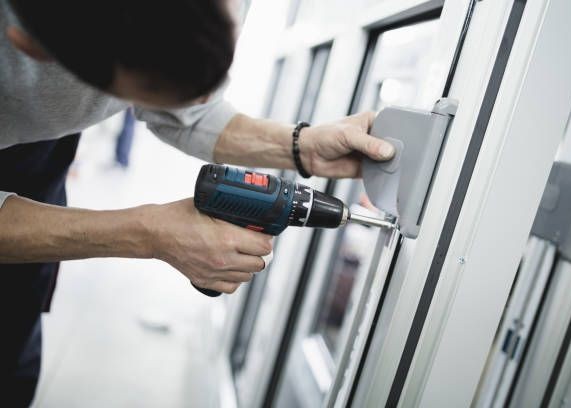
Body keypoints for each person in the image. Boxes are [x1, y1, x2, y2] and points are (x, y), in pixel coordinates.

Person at [0, 0, 396, 405]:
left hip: (40, 167)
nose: (205, 93)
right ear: (33, 49)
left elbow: (190, 111)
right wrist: (147, 233)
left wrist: (301, 147)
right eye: (158, 86)